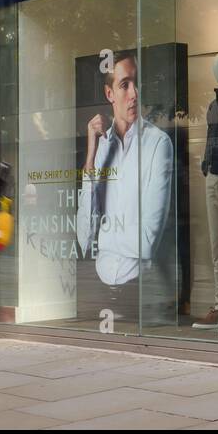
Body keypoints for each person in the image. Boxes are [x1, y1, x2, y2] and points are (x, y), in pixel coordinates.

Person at [74, 51, 173, 319]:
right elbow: (84, 236)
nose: (135, 94)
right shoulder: (102, 147)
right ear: (109, 94)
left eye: (137, 84)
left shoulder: (157, 144)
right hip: (97, 289)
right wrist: (91, 155)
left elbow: (148, 240)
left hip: (139, 290)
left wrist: (103, 237)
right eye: (124, 84)